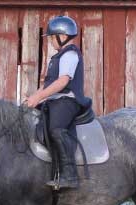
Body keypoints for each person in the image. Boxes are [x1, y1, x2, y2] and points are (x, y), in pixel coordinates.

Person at [26, 16, 91, 189]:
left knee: (56, 130)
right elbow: (48, 85)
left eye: (51, 37)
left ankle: (70, 175)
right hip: (55, 101)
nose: (50, 42)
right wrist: (32, 98)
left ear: (62, 36)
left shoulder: (70, 54)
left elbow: (62, 82)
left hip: (68, 100)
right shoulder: (57, 57)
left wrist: (38, 98)